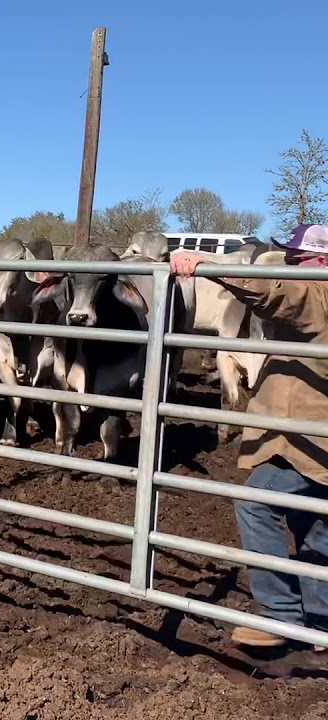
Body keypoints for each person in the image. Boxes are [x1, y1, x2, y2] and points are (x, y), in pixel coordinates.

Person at [171, 224, 328, 650]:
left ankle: (281, 617)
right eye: (290, 257)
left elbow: (277, 293)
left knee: (256, 503)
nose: (291, 264)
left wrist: (212, 266)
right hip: (304, 435)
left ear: (319, 261)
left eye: (298, 258)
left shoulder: (318, 293)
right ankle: (320, 625)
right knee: (311, 522)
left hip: (305, 438)